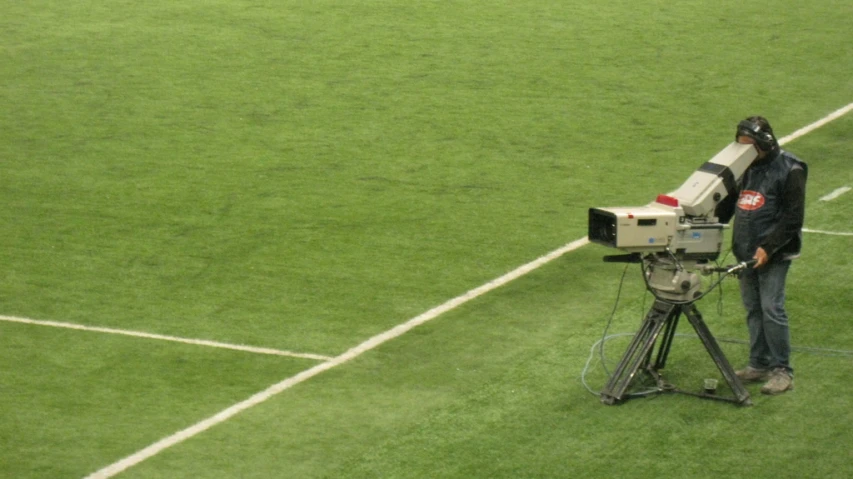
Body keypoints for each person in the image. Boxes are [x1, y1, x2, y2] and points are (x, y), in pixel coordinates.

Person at [715, 116, 808, 395]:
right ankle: (759, 364)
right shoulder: (744, 169)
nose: (743, 152)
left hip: (774, 254)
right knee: (754, 309)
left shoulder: (791, 169)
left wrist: (768, 247)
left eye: (749, 146)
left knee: (771, 309)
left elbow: (793, 218)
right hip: (745, 251)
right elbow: (728, 205)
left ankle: (782, 371)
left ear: (764, 143)